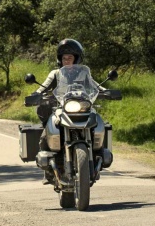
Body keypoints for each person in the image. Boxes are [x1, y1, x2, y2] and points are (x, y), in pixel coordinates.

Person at [34, 38, 103, 184]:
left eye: (70, 58)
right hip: (61, 108)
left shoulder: (84, 73)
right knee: (48, 130)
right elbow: (43, 87)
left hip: (81, 107)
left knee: (99, 123)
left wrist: (106, 91)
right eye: (64, 58)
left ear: (76, 58)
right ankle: (47, 170)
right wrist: (36, 94)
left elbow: (95, 86)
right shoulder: (56, 74)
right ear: (60, 59)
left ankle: (99, 156)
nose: (67, 61)